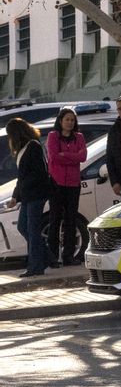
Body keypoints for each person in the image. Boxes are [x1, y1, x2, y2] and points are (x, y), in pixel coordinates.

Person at [6, 118, 53, 277]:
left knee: (32, 230)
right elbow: (21, 177)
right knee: (23, 227)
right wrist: (15, 196)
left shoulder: (33, 146)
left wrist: (24, 187)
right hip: (27, 195)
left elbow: (39, 173)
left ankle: (36, 267)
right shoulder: (22, 149)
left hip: (36, 194)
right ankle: (47, 257)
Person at [46, 108, 87, 267]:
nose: (70, 122)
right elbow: (54, 156)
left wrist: (65, 155)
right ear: (61, 121)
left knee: (71, 219)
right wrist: (71, 157)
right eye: (67, 119)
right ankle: (53, 257)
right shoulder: (53, 136)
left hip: (73, 184)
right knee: (55, 219)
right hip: (57, 183)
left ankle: (68, 256)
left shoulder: (79, 137)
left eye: (72, 120)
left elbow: (82, 157)